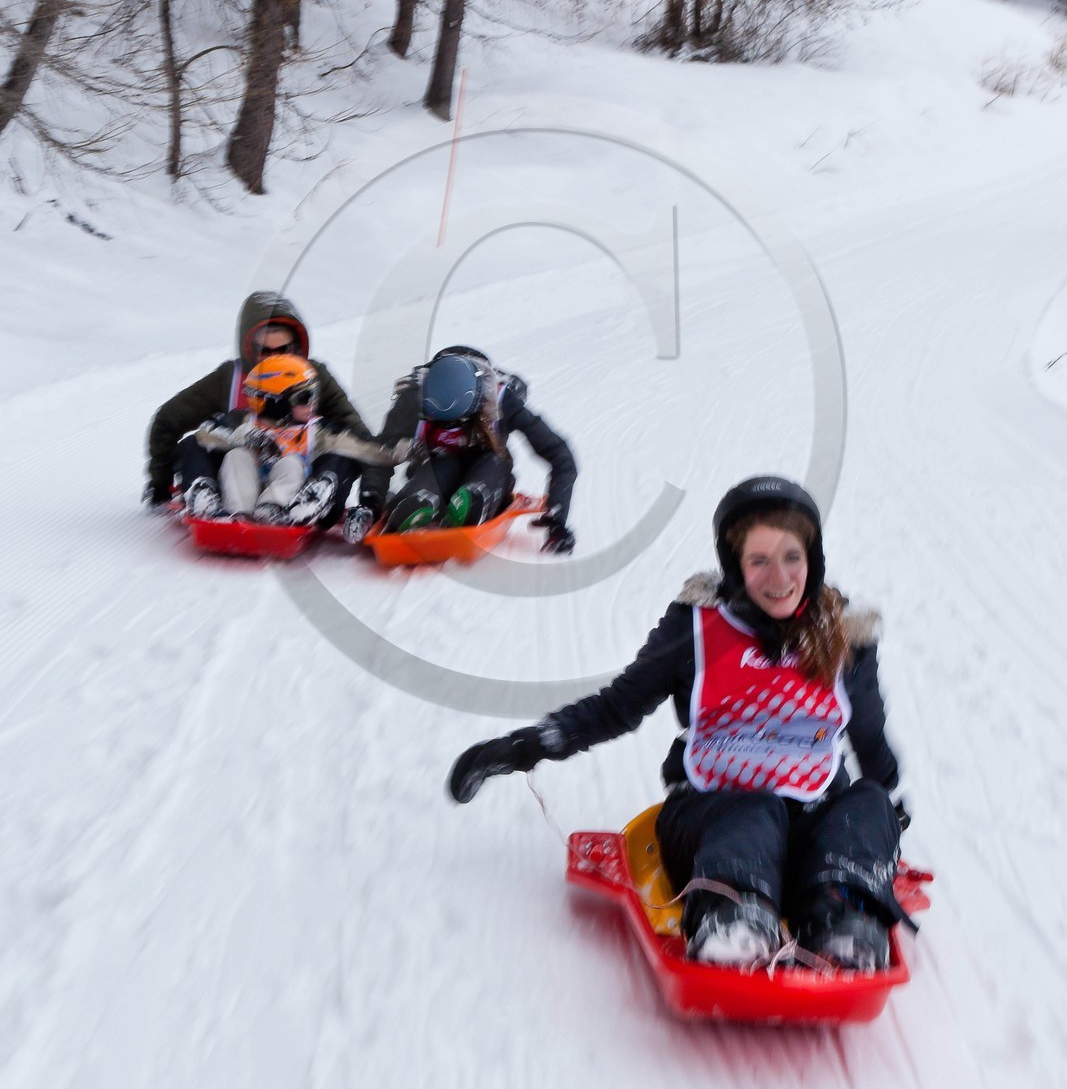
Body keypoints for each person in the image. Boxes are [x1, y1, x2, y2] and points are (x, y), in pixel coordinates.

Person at [447, 475, 911, 973]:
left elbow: (871, 745)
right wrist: (528, 745)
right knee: (753, 812)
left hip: (812, 815)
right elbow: (617, 707)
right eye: (759, 560)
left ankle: (842, 921)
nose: (779, 576)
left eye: (791, 557)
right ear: (735, 566)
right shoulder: (696, 627)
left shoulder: (847, 638)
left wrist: (878, 821)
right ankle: (732, 919)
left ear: (812, 559)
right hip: (715, 817)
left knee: (866, 803)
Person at [143, 291, 377, 529]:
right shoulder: (230, 379)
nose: (274, 357)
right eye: (265, 350)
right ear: (249, 349)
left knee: (343, 451)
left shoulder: (312, 377)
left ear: (295, 347)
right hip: (235, 482)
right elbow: (168, 420)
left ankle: (316, 497)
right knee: (196, 444)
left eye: (282, 349)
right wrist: (160, 483)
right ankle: (203, 493)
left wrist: (373, 498)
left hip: (298, 480)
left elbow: (359, 436)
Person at [343, 346, 578, 553]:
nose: (450, 428)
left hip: (490, 464)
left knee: (488, 469)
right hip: (437, 462)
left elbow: (559, 454)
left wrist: (557, 515)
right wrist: (370, 502)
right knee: (436, 471)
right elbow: (380, 453)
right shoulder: (413, 398)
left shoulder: (502, 401)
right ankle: (416, 502)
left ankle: (473, 500)